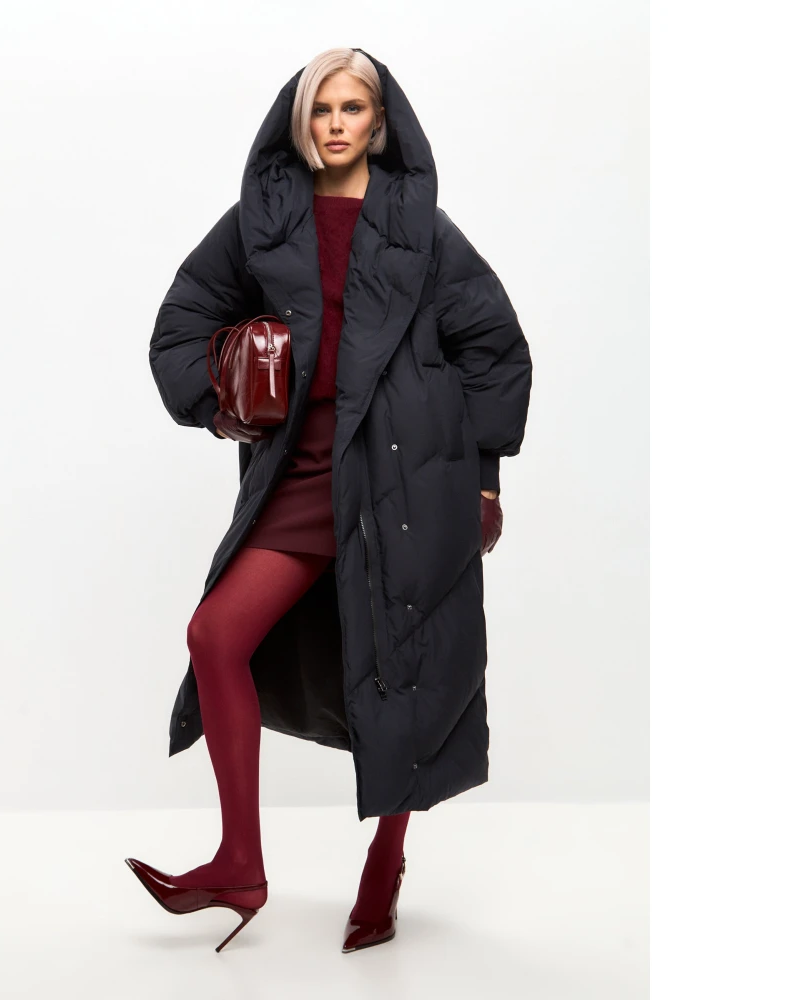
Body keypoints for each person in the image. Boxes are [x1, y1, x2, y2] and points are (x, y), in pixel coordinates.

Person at [129, 47, 533, 953]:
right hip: (302, 475)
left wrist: (482, 479)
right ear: (301, 121)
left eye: (353, 108)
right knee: (216, 635)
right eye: (322, 109)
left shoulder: (421, 228)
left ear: (378, 122)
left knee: (400, 673)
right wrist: (224, 396)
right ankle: (240, 861)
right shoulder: (263, 221)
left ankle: (385, 862)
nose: (337, 123)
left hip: (402, 480)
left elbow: (494, 348)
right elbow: (180, 324)